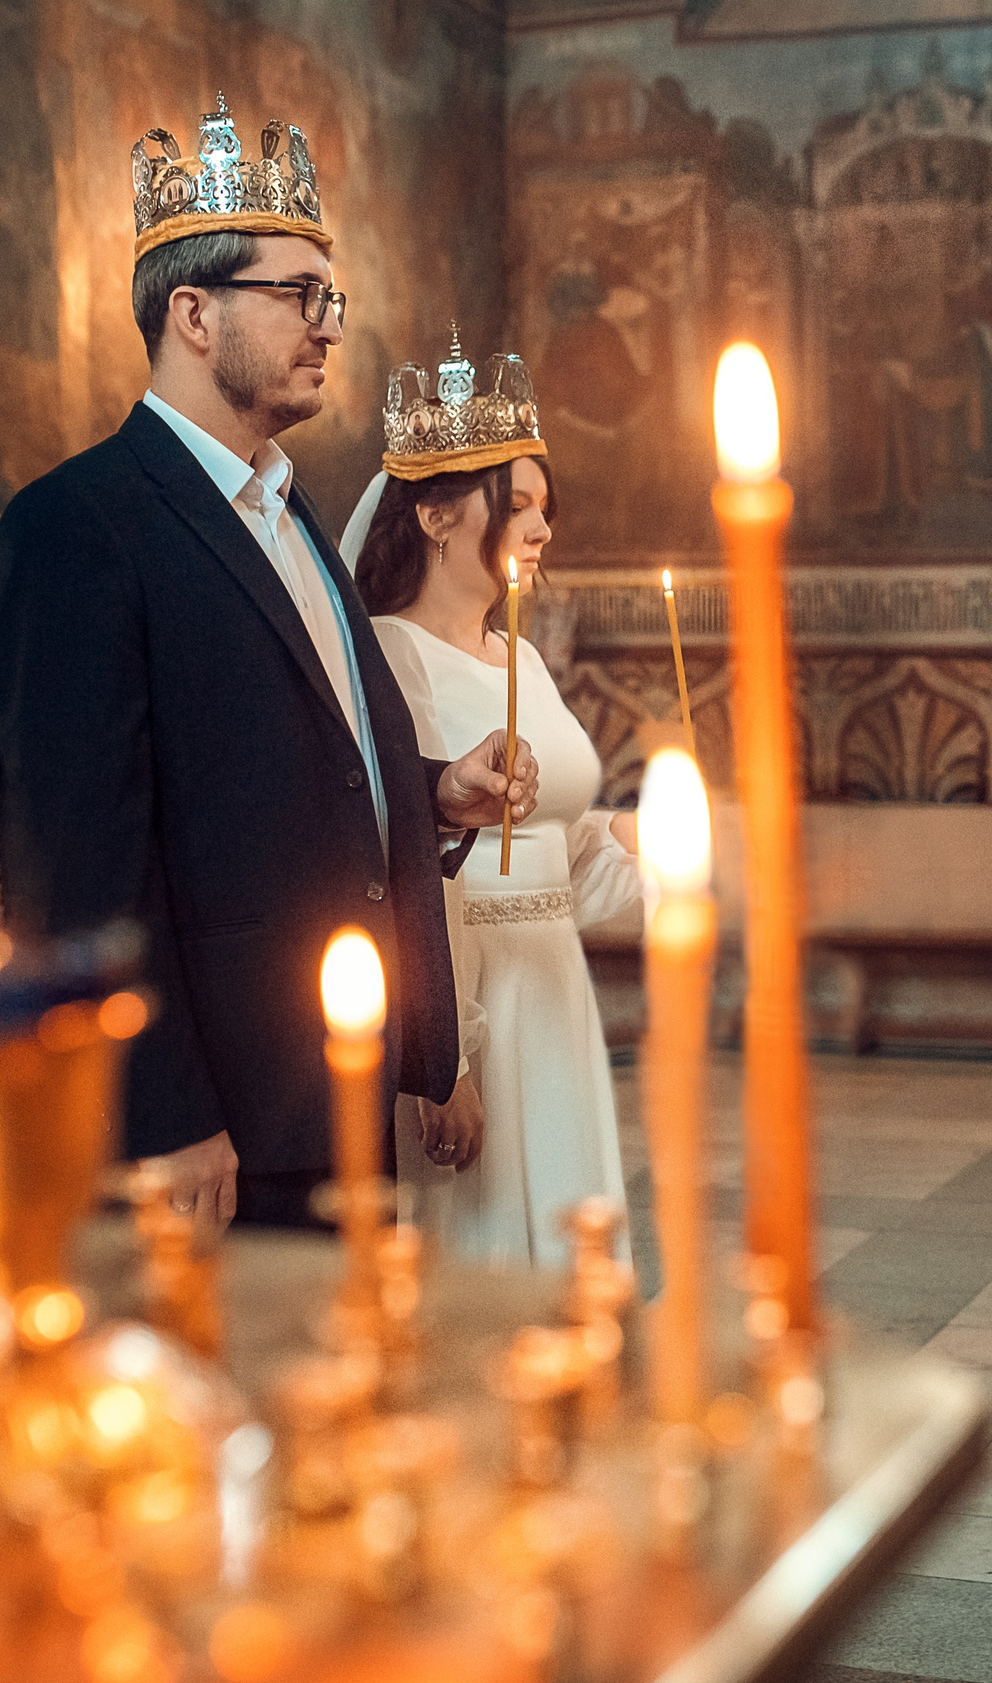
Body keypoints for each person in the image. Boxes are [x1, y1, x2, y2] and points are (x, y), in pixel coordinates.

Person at [0, 96, 537, 1234]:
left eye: (327, 298)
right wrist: (164, 1111)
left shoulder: (290, 511)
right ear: (193, 313)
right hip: (219, 1112)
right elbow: (76, 863)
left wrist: (436, 787)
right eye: (298, 296)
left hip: (337, 1077)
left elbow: (299, 761)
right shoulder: (83, 522)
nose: (329, 325)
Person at [340, 332, 642, 1267]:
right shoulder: (386, 658)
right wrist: (446, 1060)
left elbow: (570, 861)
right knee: (485, 1269)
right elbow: (409, 867)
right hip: (475, 1008)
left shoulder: (522, 661)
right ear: (434, 516)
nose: (543, 531)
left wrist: (671, 860)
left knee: (569, 1254)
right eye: (518, 508)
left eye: (546, 509)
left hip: (555, 1000)